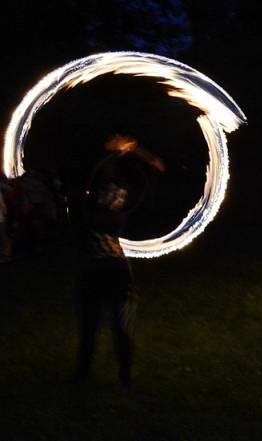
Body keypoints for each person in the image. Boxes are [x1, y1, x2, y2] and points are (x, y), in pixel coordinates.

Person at [73, 134, 164, 389]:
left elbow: (156, 166)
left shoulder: (101, 208)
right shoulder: (101, 203)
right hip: (103, 270)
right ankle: (98, 376)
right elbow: (155, 167)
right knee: (98, 325)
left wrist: (129, 150)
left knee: (108, 326)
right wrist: (128, 151)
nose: (113, 196)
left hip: (108, 270)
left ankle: (113, 377)